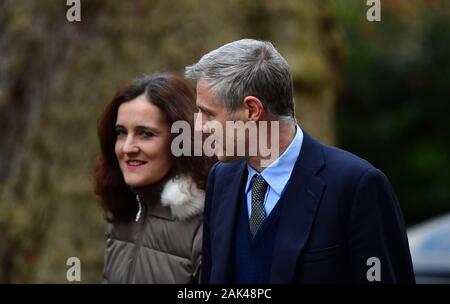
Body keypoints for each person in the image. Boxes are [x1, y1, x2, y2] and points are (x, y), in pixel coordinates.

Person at [185, 39, 415, 283]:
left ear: (252, 110)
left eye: (208, 113)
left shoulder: (356, 186)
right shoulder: (221, 179)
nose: (199, 126)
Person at [94, 73, 214, 283]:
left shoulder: (208, 223)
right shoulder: (123, 209)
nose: (127, 147)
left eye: (146, 134)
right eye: (121, 132)